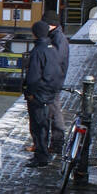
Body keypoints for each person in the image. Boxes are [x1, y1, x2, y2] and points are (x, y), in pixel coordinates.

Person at [23, 21, 62, 168]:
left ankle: (41, 157)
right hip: (50, 93)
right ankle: (43, 155)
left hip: (39, 94)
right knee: (45, 124)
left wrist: (29, 92)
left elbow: (33, 76)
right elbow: (58, 71)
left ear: (35, 33)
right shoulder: (53, 49)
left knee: (38, 126)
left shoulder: (38, 51)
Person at [42, 11, 70, 153]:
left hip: (53, 81)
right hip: (52, 79)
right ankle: (47, 142)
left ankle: (57, 143)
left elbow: (55, 61)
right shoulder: (55, 36)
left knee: (54, 111)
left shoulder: (58, 38)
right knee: (50, 111)